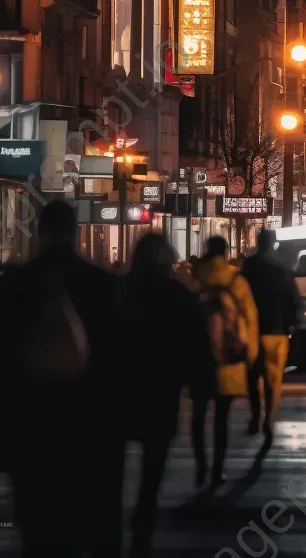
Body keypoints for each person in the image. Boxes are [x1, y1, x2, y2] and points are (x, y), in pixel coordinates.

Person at [0, 200, 125, 556]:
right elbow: (119, 363)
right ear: (76, 231)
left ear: (39, 232)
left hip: (33, 428)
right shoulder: (102, 286)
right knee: (92, 525)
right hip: (91, 429)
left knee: (40, 533)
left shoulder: (14, 287)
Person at [123, 234, 214, 557]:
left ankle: (108, 523)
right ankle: (143, 523)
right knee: (154, 463)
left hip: (121, 389)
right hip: (162, 389)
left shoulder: (118, 292)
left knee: (112, 459)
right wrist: (201, 384)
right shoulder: (178, 296)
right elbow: (197, 345)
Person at [191, 235, 259, 487]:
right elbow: (250, 318)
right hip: (229, 360)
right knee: (222, 417)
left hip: (197, 358)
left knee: (198, 416)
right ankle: (218, 469)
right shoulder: (236, 280)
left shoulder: (195, 278)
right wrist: (249, 355)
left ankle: (201, 465)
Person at [240, 227, 301, 441]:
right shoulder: (283, 268)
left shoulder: (249, 266)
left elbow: (240, 295)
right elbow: (294, 300)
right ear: (274, 243)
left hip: (253, 332)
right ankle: (269, 419)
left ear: (258, 241)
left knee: (253, 377)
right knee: (273, 380)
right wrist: (291, 324)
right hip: (277, 332)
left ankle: (256, 417)